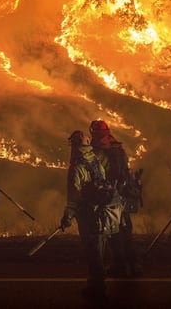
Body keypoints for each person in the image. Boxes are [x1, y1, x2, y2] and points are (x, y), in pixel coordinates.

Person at [60, 130, 111, 301]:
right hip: (102, 214)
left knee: (92, 253)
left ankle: (98, 289)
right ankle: (96, 284)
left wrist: (67, 217)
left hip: (87, 216)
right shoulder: (95, 161)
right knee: (99, 250)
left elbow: (73, 197)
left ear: (75, 146)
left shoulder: (76, 168)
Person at [89, 120, 140, 277]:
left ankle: (120, 267)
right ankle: (135, 266)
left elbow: (97, 173)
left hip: (111, 198)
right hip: (124, 195)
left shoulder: (98, 150)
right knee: (126, 231)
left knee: (114, 234)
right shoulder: (117, 147)